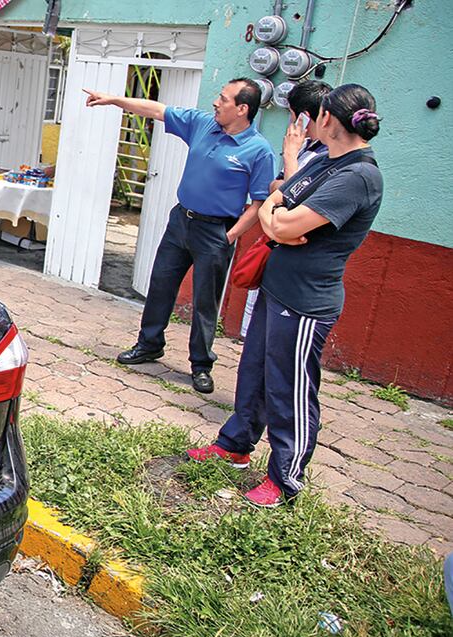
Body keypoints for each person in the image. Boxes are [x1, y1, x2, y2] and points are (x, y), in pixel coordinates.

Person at [188, 84, 384, 507]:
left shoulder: (358, 175)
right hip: (278, 287)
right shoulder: (326, 164)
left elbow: (283, 223)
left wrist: (278, 219)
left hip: (306, 300)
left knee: (289, 388)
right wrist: (277, 217)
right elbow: (275, 204)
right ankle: (235, 444)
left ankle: (285, 479)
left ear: (326, 119)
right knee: (255, 373)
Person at [84, 79, 275, 393]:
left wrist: (231, 236)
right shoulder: (203, 125)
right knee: (160, 284)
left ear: (242, 109)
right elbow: (158, 110)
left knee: (204, 300)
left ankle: (201, 364)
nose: (216, 102)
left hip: (217, 230)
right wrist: (113, 99)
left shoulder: (258, 150)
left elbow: (258, 203)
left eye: (224, 99)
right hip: (181, 221)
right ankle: (149, 344)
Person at [242, 79, 333, 337]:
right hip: (273, 242)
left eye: (291, 115)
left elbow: (292, 198)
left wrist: (290, 156)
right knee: (255, 317)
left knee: (275, 332)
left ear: (302, 117)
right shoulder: (307, 147)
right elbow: (276, 186)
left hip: (297, 254)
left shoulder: (324, 157)